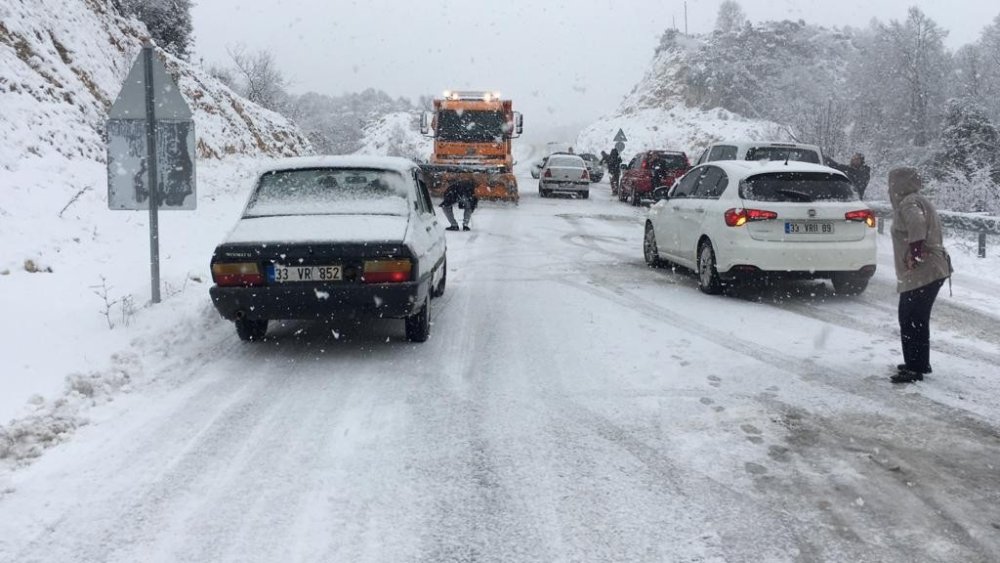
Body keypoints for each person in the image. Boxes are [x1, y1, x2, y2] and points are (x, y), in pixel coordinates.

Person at [888, 167, 953, 384]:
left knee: (909, 318)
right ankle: (919, 363)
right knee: (917, 318)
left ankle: (915, 368)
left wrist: (915, 254)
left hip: (923, 270)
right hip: (933, 268)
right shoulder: (918, 199)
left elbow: (917, 224)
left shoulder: (908, 202)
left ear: (898, 184)